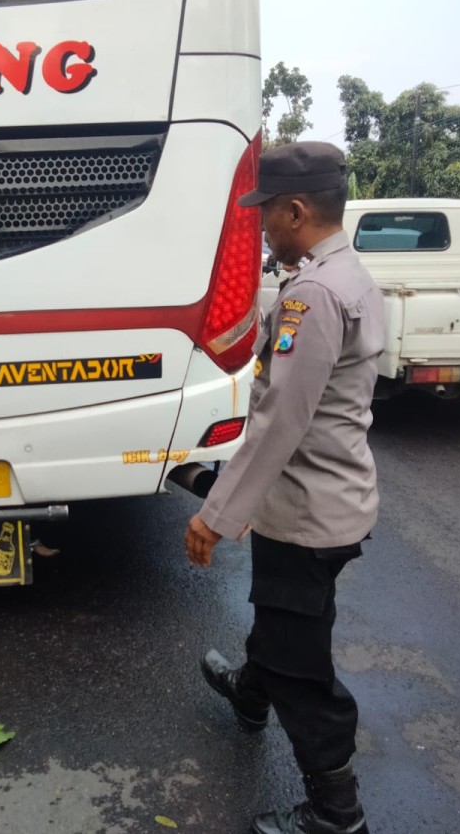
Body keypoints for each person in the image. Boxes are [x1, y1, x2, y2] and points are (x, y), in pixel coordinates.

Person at [184, 141, 384, 834]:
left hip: (306, 515)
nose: (261, 225)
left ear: (296, 209)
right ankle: (248, 691)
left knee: (304, 668)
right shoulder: (348, 276)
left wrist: (216, 514)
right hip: (326, 501)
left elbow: (279, 424)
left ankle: (336, 813)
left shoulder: (316, 296)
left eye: (265, 213)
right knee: (280, 617)